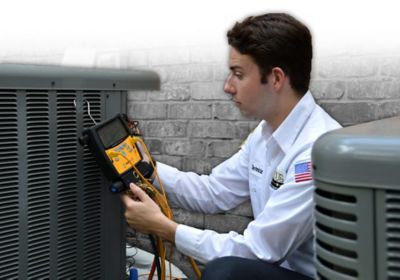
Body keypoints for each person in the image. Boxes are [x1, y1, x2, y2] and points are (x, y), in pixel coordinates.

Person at [121, 12, 341, 279]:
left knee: (225, 272)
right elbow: (214, 191)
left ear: (276, 78)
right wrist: (147, 169)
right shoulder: (266, 132)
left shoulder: (314, 151)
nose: (228, 86)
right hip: (279, 270)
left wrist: (167, 229)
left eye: (238, 74)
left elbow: (258, 250)